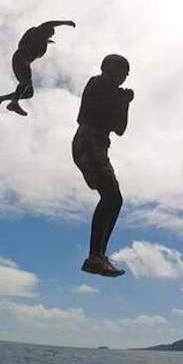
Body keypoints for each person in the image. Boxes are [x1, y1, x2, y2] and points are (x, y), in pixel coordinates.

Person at [72, 54, 134, 277]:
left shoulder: (117, 94)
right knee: (111, 196)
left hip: (98, 144)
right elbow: (97, 107)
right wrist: (120, 99)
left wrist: (124, 104)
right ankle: (95, 256)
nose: (126, 76)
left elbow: (120, 129)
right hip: (88, 140)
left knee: (114, 199)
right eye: (123, 70)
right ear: (110, 69)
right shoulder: (97, 83)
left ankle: (98, 255)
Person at [0, 20, 76, 116]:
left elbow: (37, 42)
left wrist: (46, 41)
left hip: (24, 62)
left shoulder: (42, 41)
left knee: (29, 92)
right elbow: (49, 24)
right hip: (20, 58)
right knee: (26, 83)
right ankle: (14, 103)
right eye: (49, 33)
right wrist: (65, 22)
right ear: (45, 30)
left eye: (51, 35)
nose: (50, 36)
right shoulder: (37, 31)